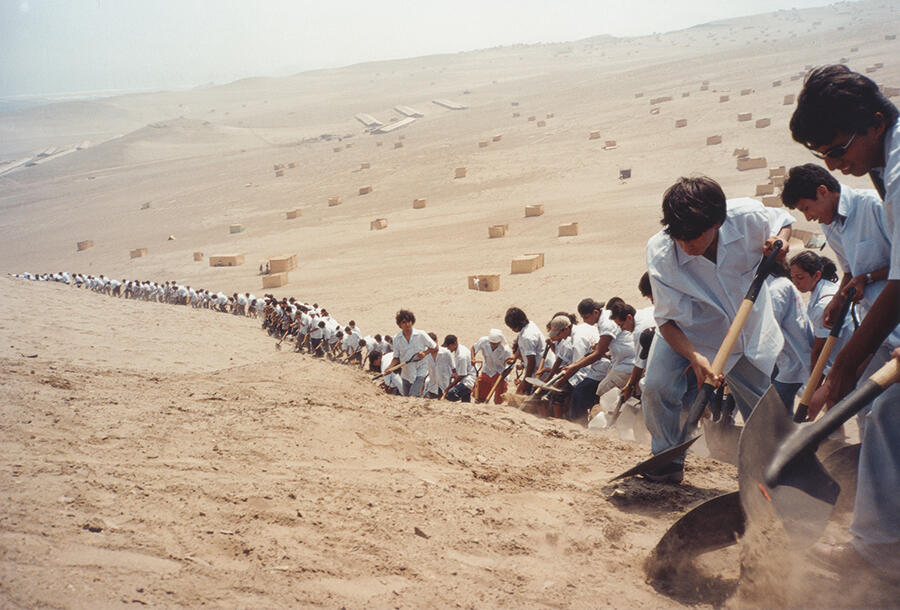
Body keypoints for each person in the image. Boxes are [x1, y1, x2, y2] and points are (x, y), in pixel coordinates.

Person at [790, 64, 900, 577]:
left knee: (888, 415)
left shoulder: (896, 174)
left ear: (875, 123)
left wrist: (846, 364)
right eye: (824, 156)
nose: (835, 165)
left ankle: (877, 553)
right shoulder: (884, 163)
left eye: (838, 149)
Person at [642, 176, 792, 483]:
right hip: (686, 330)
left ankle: (775, 472)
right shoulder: (661, 253)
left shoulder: (747, 217)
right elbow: (667, 320)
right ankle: (666, 461)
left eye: (694, 236)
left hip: (744, 328)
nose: (687, 245)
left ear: (717, 223)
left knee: (760, 406)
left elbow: (784, 220)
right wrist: (695, 357)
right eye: (679, 237)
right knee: (656, 386)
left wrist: (781, 241)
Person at [766, 262, 813, 413]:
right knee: (782, 409)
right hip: (789, 357)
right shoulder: (781, 283)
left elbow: (769, 328)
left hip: (790, 360)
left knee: (774, 411)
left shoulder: (775, 289)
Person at [385, 309, 436, 397]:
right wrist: (389, 368)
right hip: (406, 373)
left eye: (409, 321)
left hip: (420, 371)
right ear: (400, 325)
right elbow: (396, 357)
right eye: (404, 322)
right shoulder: (397, 338)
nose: (407, 324)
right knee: (407, 398)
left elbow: (435, 347)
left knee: (413, 396)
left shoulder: (421, 334)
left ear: (412, 322)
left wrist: (425, 353)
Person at [504, 307, 546, 394]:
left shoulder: (527, 337)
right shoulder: (529, 325)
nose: (512, 330)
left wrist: (525, 382)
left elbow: (531, 362)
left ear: (519, 323)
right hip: (535, 371)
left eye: (512, 327)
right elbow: (521, 344)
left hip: (541, 373)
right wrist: (515, 357)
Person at [471, 329, 513, 404]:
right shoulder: (483, 341)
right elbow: (473, 348)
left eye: (495, 344)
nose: (493, 346)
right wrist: (473, 358)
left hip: (500, 373)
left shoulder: (506, 350)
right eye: (491, 343)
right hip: (487, 370)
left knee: (498, 399)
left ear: (499, 342)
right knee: (480, 395)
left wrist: (502, 376)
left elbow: (511, 366)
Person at [443, 335, 476, 402]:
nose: (448, 348)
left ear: (454, 343)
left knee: (451, 395)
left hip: (469, 380)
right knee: (465, 401)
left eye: (449, 346)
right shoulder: (460, 349)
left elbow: (461, 375)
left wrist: (448, 388)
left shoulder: (461, 356)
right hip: (465, 379)